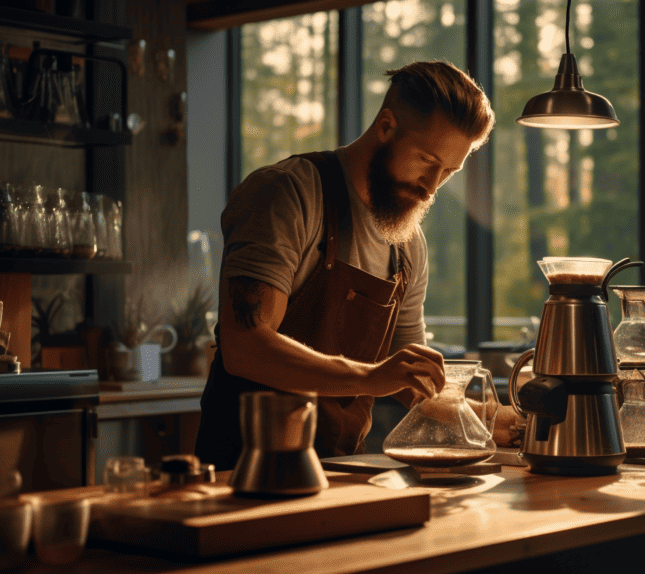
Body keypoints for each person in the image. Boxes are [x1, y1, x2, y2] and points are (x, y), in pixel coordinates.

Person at [195, 61, 521, 471]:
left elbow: (413, 383)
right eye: (426, 160)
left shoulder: (407, 245)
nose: (432, 186)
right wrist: (369, 378)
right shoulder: (287, 195)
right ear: (386, 126)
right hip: (243, 469)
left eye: (449, 172)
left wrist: (491, 416)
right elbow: (244, 348)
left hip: (339, 472)